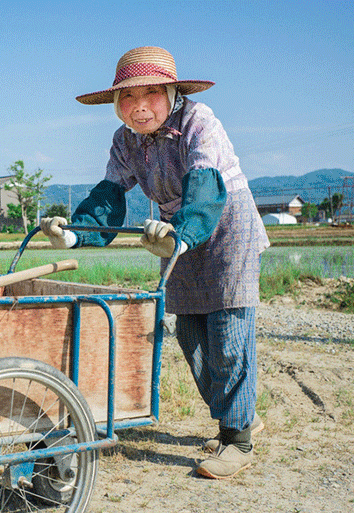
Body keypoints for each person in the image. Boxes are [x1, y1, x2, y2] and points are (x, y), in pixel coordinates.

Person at [41, 46, 269, 479]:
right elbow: (110, 196)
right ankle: (242, 414)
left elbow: (205, 184)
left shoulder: (198, 121)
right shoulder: (125, 140)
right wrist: (72, 234)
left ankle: (238, 437)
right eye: (127, 97)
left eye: (150, 93)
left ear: (171, 92)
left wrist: (181, 236)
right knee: (189, 332)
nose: (139, 106)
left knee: (228, 331)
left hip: (224, 222)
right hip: (172, 232)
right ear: (116, 103)